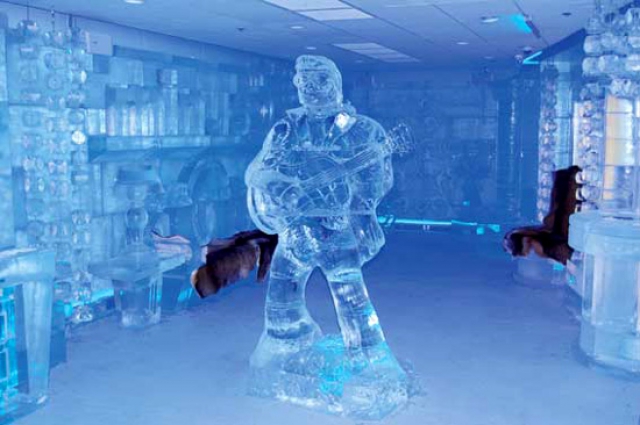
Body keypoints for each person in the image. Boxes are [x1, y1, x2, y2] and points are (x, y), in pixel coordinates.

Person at [245, 55, 407, 415]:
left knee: (349, 295)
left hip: (337, 229)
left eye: (317, 81)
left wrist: (358, 207)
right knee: (282, 293)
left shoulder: (363, 130)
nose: (309, 89)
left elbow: (378, 180)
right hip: (295, 229)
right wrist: (281, 187)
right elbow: (257, 170)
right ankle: (289, 339)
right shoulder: (287, 128)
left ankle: (369, 359)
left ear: (334, 83)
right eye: (302, 82)